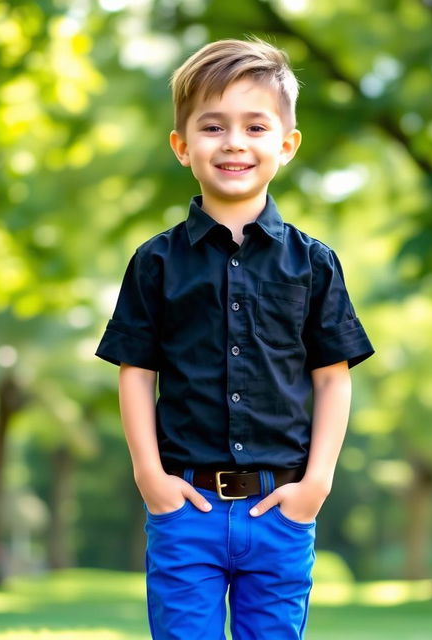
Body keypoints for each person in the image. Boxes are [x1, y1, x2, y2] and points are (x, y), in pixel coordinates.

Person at [95, 36, 374, 640]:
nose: (234, 143)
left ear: (286, 143)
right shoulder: (156, 262)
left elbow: (332, 378)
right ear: (182, 145)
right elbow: (136, 371)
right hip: (185, 507)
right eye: (213, 126)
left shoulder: (314, 264)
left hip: (280, 507)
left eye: (255, 126)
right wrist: (150, 475)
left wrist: (317, 483)